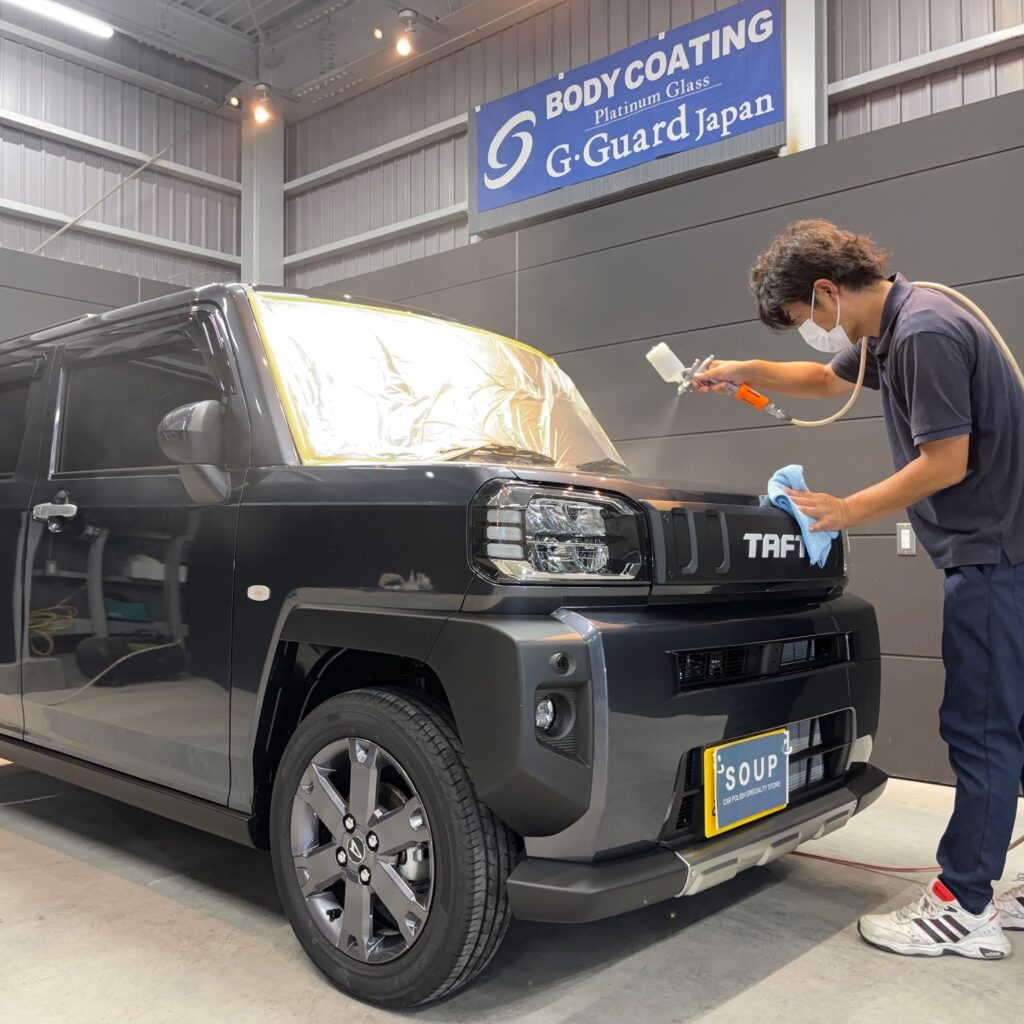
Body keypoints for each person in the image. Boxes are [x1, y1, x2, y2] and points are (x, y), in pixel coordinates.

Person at [695, 218, 1024, 959]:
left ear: (825, 290)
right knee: (1012, 723)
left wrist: (846, 511)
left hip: (995, 555)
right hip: (1003, 548)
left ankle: (965, 904)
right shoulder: (900, 322)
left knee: (981, 728)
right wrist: (744, 369)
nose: (811, 333)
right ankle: (981, 888)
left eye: (806, 318)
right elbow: (820, 379)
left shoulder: (925, 334)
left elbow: (945, 462)